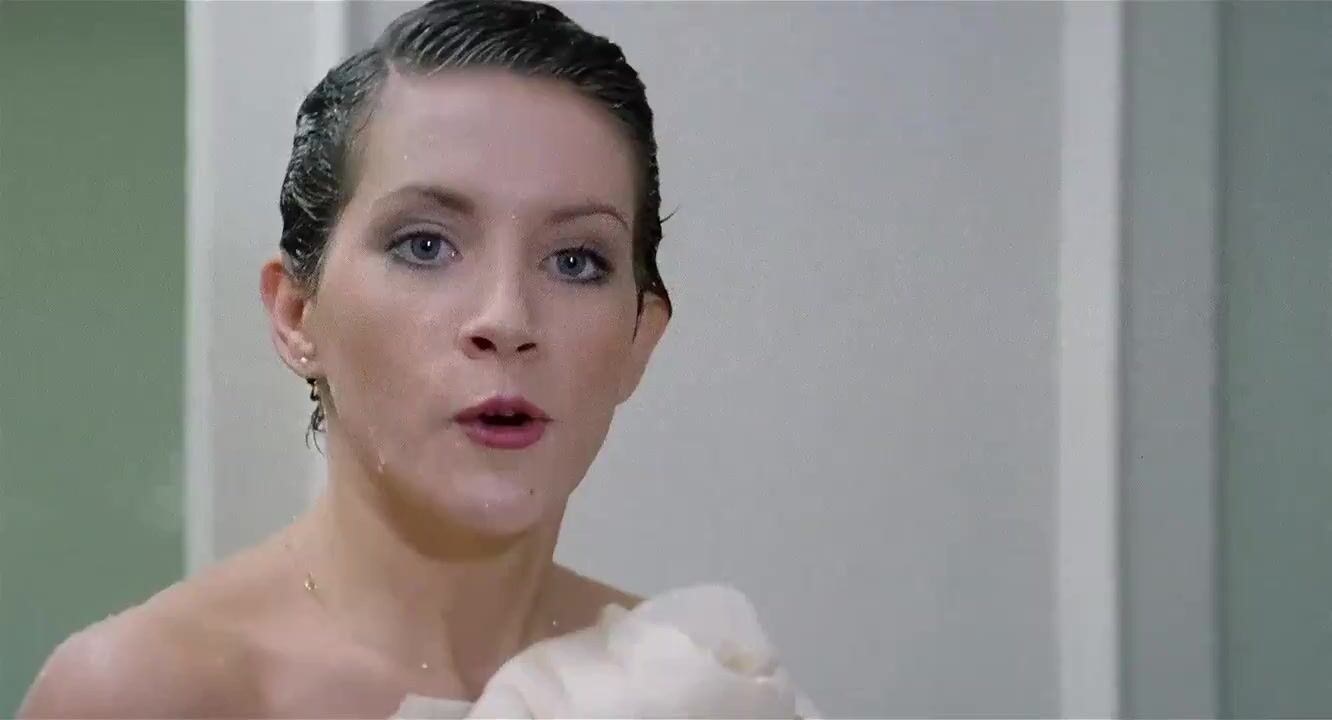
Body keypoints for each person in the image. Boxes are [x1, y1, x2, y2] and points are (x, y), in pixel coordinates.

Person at [19, 2, 808, 717]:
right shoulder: (146, 694)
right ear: (297, 314)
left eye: (575, 261)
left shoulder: (698, 686)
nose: (507, 320)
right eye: (425, 245)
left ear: (639, 337)